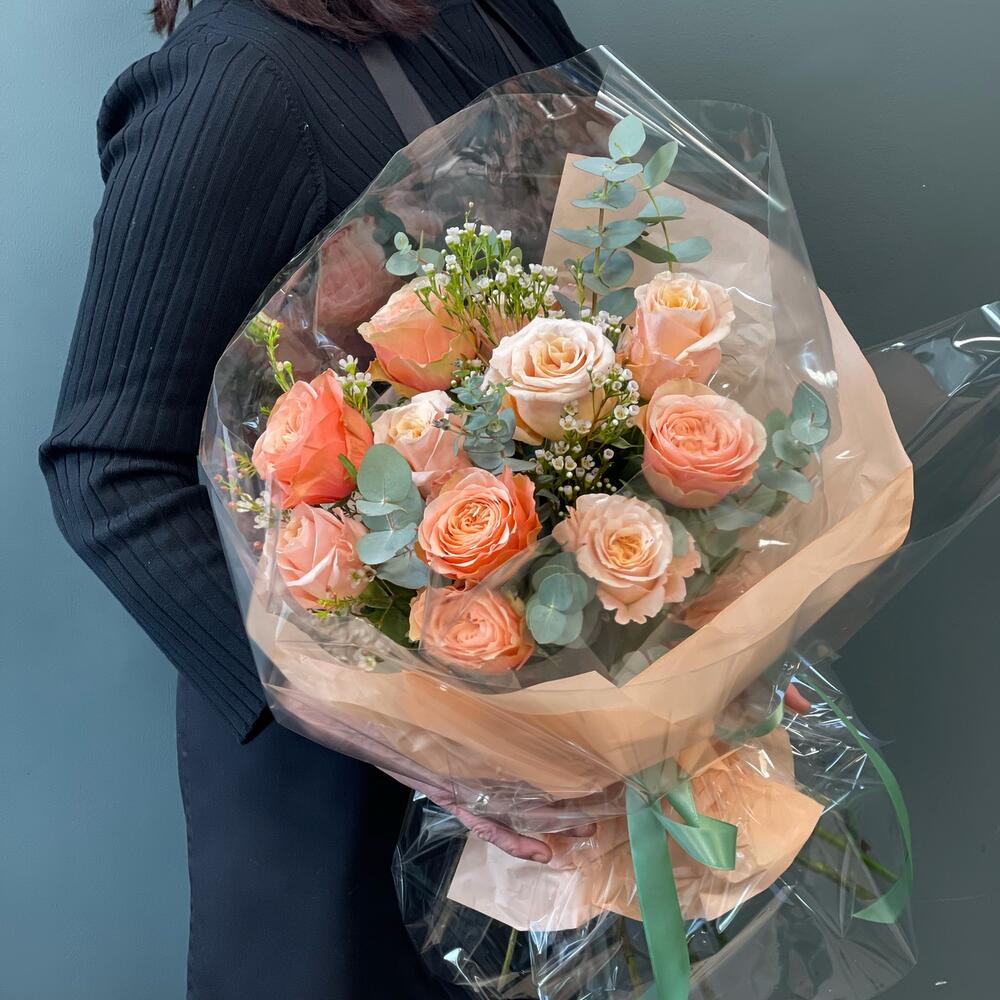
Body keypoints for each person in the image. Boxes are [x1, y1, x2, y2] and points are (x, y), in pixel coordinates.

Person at [39, 2, 582, 997]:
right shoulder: (235, 88)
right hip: (366, 795)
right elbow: (108, 469)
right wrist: (406, 732)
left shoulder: (492, 9)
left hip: (563, 720)